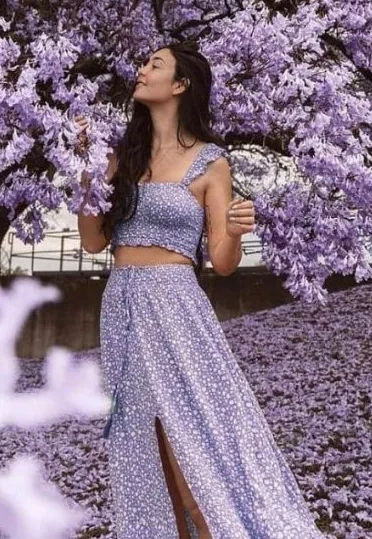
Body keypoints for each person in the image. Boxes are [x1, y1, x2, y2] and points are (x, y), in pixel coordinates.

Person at [75, 41, 324, 539]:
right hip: (122, 303)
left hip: (176, 306)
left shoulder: (212, 163)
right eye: (144, 63)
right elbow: (93, 240)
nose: (142, 70)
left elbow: (224, 262)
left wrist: (234, 227)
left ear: (181, 84)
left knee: (190, 445)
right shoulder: (120, 157)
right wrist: (85, 174)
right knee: (148, 448)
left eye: (155, 64)